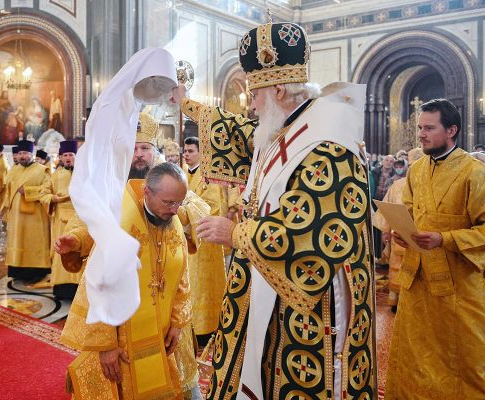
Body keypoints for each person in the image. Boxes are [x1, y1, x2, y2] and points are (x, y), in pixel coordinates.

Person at [172, 21, 375, 399]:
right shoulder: (287, 127)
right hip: (269, 280)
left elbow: (314, 231)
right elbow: (236, 131)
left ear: (279, 88)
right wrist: (184, 101)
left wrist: (234, 234)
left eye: (254, 93)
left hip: (309, 300)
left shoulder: (328, 142)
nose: (249, 104)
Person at [58, 163, 200, 399]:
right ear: (147, 192)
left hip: (163, 334)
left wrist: (178, 322)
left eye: (179, 203)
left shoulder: (171, 219)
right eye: (168, 203)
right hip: (123, 340)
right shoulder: (120, 224)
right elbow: (98, 286)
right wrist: (106, 346)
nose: (176, 211)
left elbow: (181, 277)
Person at [387, 99, 485, 399]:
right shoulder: (415, 171)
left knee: (461, 359)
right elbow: (411, 213)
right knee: (414, 354)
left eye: (429, 128)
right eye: (420, 128)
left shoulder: (474, 172)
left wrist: (445, 239)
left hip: (459, 286)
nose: (421, 135)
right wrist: (403, 233)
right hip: (418, 282)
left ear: (451, 130)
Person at [182, 136, 230, 346]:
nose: (187, 154)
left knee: (203, 287)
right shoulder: (182, 173)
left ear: (201, 153)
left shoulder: (209, 175)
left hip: (205, 241)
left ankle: (205, 329)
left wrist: (186, 210)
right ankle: (188, 326)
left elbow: (213, 206)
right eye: (186, 151)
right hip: (185, 238)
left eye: (191, 151)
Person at [372, 148, 422, 310]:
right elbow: (388, 209)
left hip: (422, 238)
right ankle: (397, 301)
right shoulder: (397, 185)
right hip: (399, 237)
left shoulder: (432, 185)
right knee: (397, 268)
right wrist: (386, 231)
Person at [1, 140, 52, 283]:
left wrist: (28, 191)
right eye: (20, 153)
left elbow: (47, 189)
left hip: (34, 216)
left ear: (31, 154)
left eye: (25, 153)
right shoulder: (14, 169)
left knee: (33, 242)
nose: (22, 156)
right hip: (16, 216)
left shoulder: (42, 170)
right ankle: (18, 270)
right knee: (18, 241)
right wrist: (4, 209)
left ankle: (36, 272)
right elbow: (8, 191)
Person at [39, 140, 80, 299]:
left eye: (71, 155)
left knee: (79, 249)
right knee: (61, 250)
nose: (68, 158)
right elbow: (43, 194)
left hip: (81, 218)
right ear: (61, 158)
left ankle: (79, 287)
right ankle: (62, 288)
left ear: (76, 156)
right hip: (61, 221)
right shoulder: (55, 176)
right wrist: (53, 198)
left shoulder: (85, 174)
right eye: (65, 155)